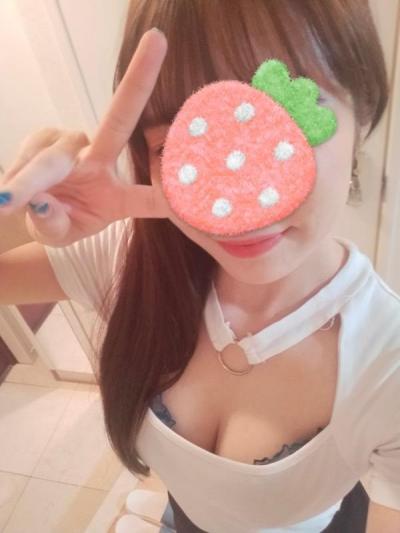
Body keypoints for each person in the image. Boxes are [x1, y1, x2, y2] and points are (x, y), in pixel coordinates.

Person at [1, 1, 399, 531]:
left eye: (281, 123)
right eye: (176, 143)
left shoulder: (387, 361)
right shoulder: (129, 259)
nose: (239, 201)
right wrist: (14, 207)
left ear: (363, 115)